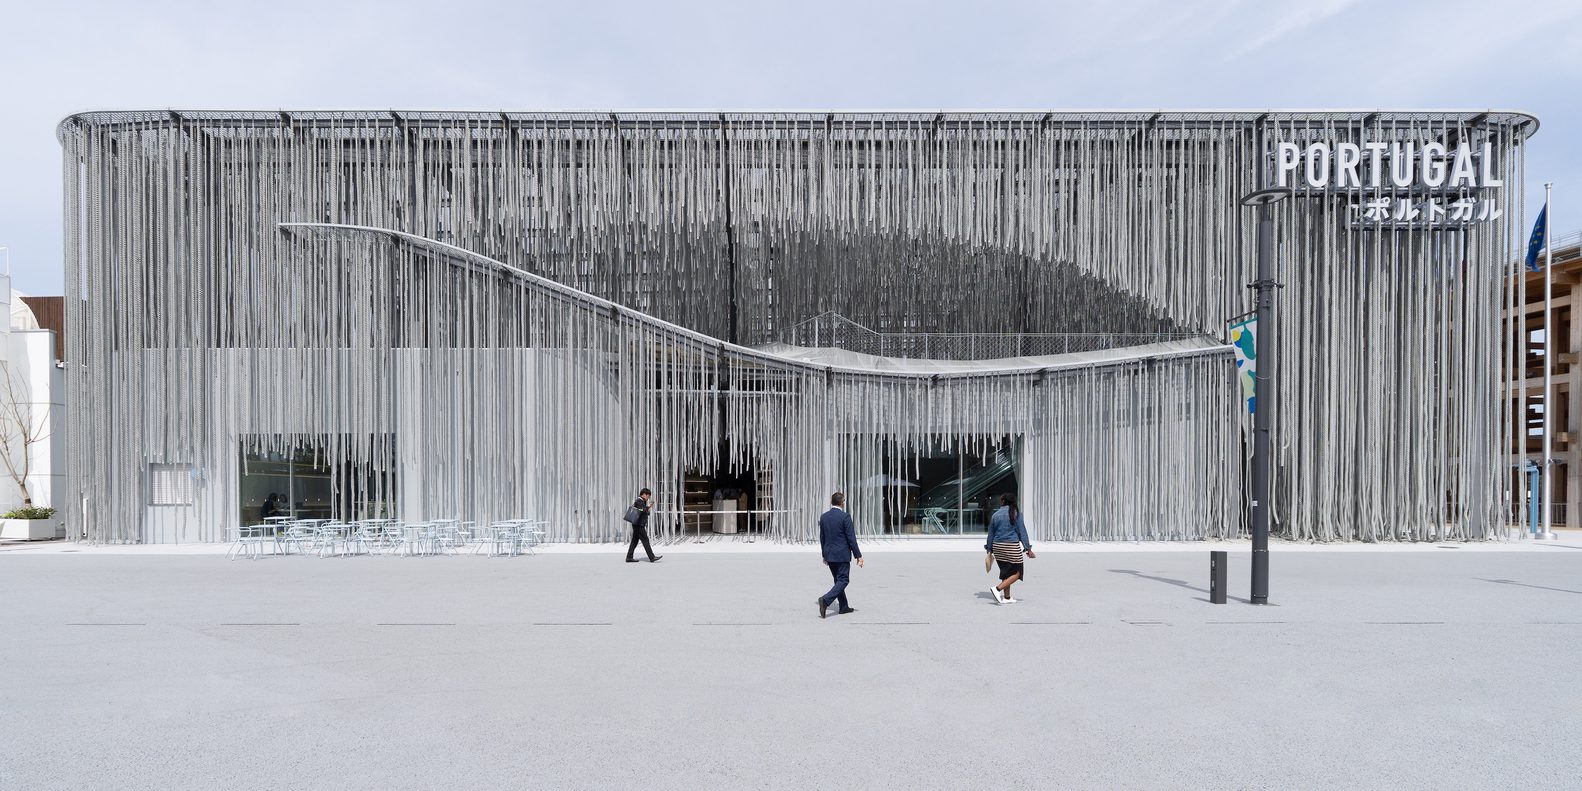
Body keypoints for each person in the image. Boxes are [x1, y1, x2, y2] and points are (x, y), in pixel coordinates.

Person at [817, 491, 863, 618]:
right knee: (843, 580)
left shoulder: (824, 517)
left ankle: (843, 606)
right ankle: (825, 600)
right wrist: (858, 556)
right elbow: (851, 538)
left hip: (829, 554)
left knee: (838, 580)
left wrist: (824, 555)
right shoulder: (845, 517)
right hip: (842, 555)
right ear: (842, 503)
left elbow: (822, 538)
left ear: (831, 502)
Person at [985, 492, 1034, 604]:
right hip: (1011, 546)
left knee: (1006, 572)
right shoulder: (1016, 513)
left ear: (1003, 501)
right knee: (1018, 572)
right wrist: (1027, 548)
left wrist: (989, 549)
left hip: (997, 546)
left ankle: (1007, 597)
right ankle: (997, 589)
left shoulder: (995, 515)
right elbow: (1022, 532)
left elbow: (991, 534)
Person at [626, 488, 662, 563]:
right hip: (639, 525)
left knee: (634, 541)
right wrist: (647, 508)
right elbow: (641, 510)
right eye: (648, 496)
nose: (648, 498)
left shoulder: (641, 501)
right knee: (645, 540)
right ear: (644, 494)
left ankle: (629, 557)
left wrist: (648, 507)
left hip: (637, 524)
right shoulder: (639, 501)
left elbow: (642, 511)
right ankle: (652, 557)